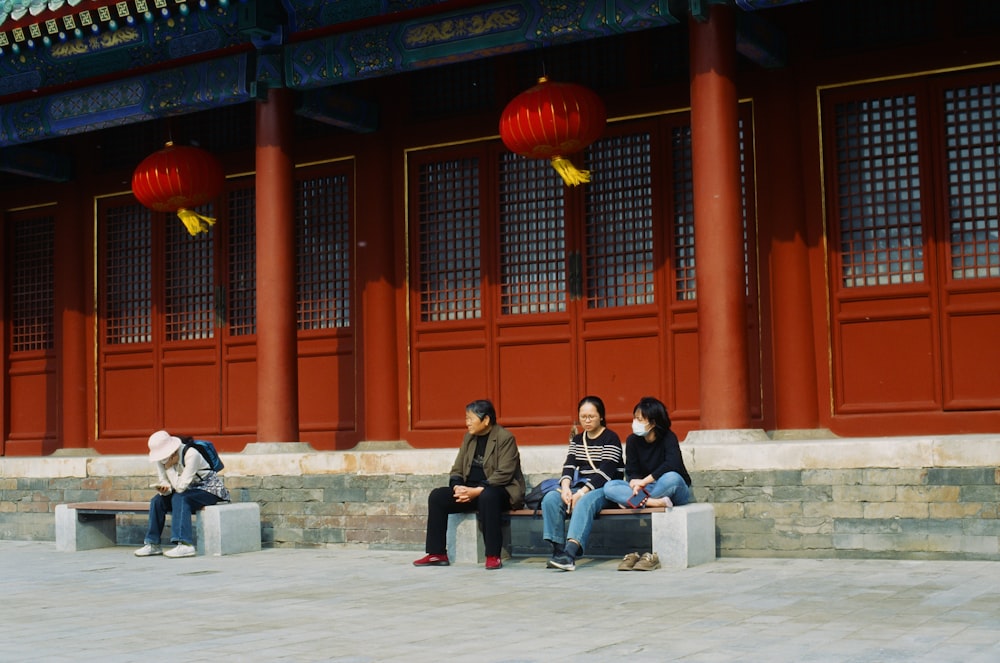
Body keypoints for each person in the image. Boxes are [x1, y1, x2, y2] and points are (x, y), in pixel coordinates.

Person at [413, 400, 526, 570]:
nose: (467, 423)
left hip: (499, 489)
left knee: (488, 497)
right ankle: (437, 553)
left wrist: (479, 489)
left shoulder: (505, 438)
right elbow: (457, 468)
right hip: (470, 490)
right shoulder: (468, 438)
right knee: (437, 496)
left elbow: (505, 472)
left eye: (470, 419)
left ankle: (493, 555)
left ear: (486, 419)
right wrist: (457, 486)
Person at [542, 395, 623, 571]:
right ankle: (558, 551)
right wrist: (565, 489)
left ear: (601, 416)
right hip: (581, 486)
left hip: (606, 488)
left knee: (584, 501)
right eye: (583, 416)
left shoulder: (611, 438)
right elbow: (569, 466)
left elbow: (605, 472)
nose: (586, 421)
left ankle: (570, 555)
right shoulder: (578, 440)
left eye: (591, 416)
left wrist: (581, 493)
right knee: (551, 498)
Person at [134, 430, 231, 558]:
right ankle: (153, 544)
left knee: (180, 498)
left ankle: (185, 544)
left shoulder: (191, 454)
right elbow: (166, 482)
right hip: (187, 490)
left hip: (209, 490)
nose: (163, 460)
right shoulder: (161, 459)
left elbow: (180, 488)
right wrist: (165, 490)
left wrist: (169, 468)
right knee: (157, 500)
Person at [604, 396, 692, 511]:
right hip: (645, 488)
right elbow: (631, 471)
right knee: (610, 487)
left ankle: (633, 502)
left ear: (653, 423)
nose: (635, 423)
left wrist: (644, 482)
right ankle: (653, 502)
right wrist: (635, 483)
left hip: (671, 488)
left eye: (640, 420)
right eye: (635, 418)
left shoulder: (668, 437)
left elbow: (672, 465)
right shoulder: (632, 440)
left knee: (672, 478)